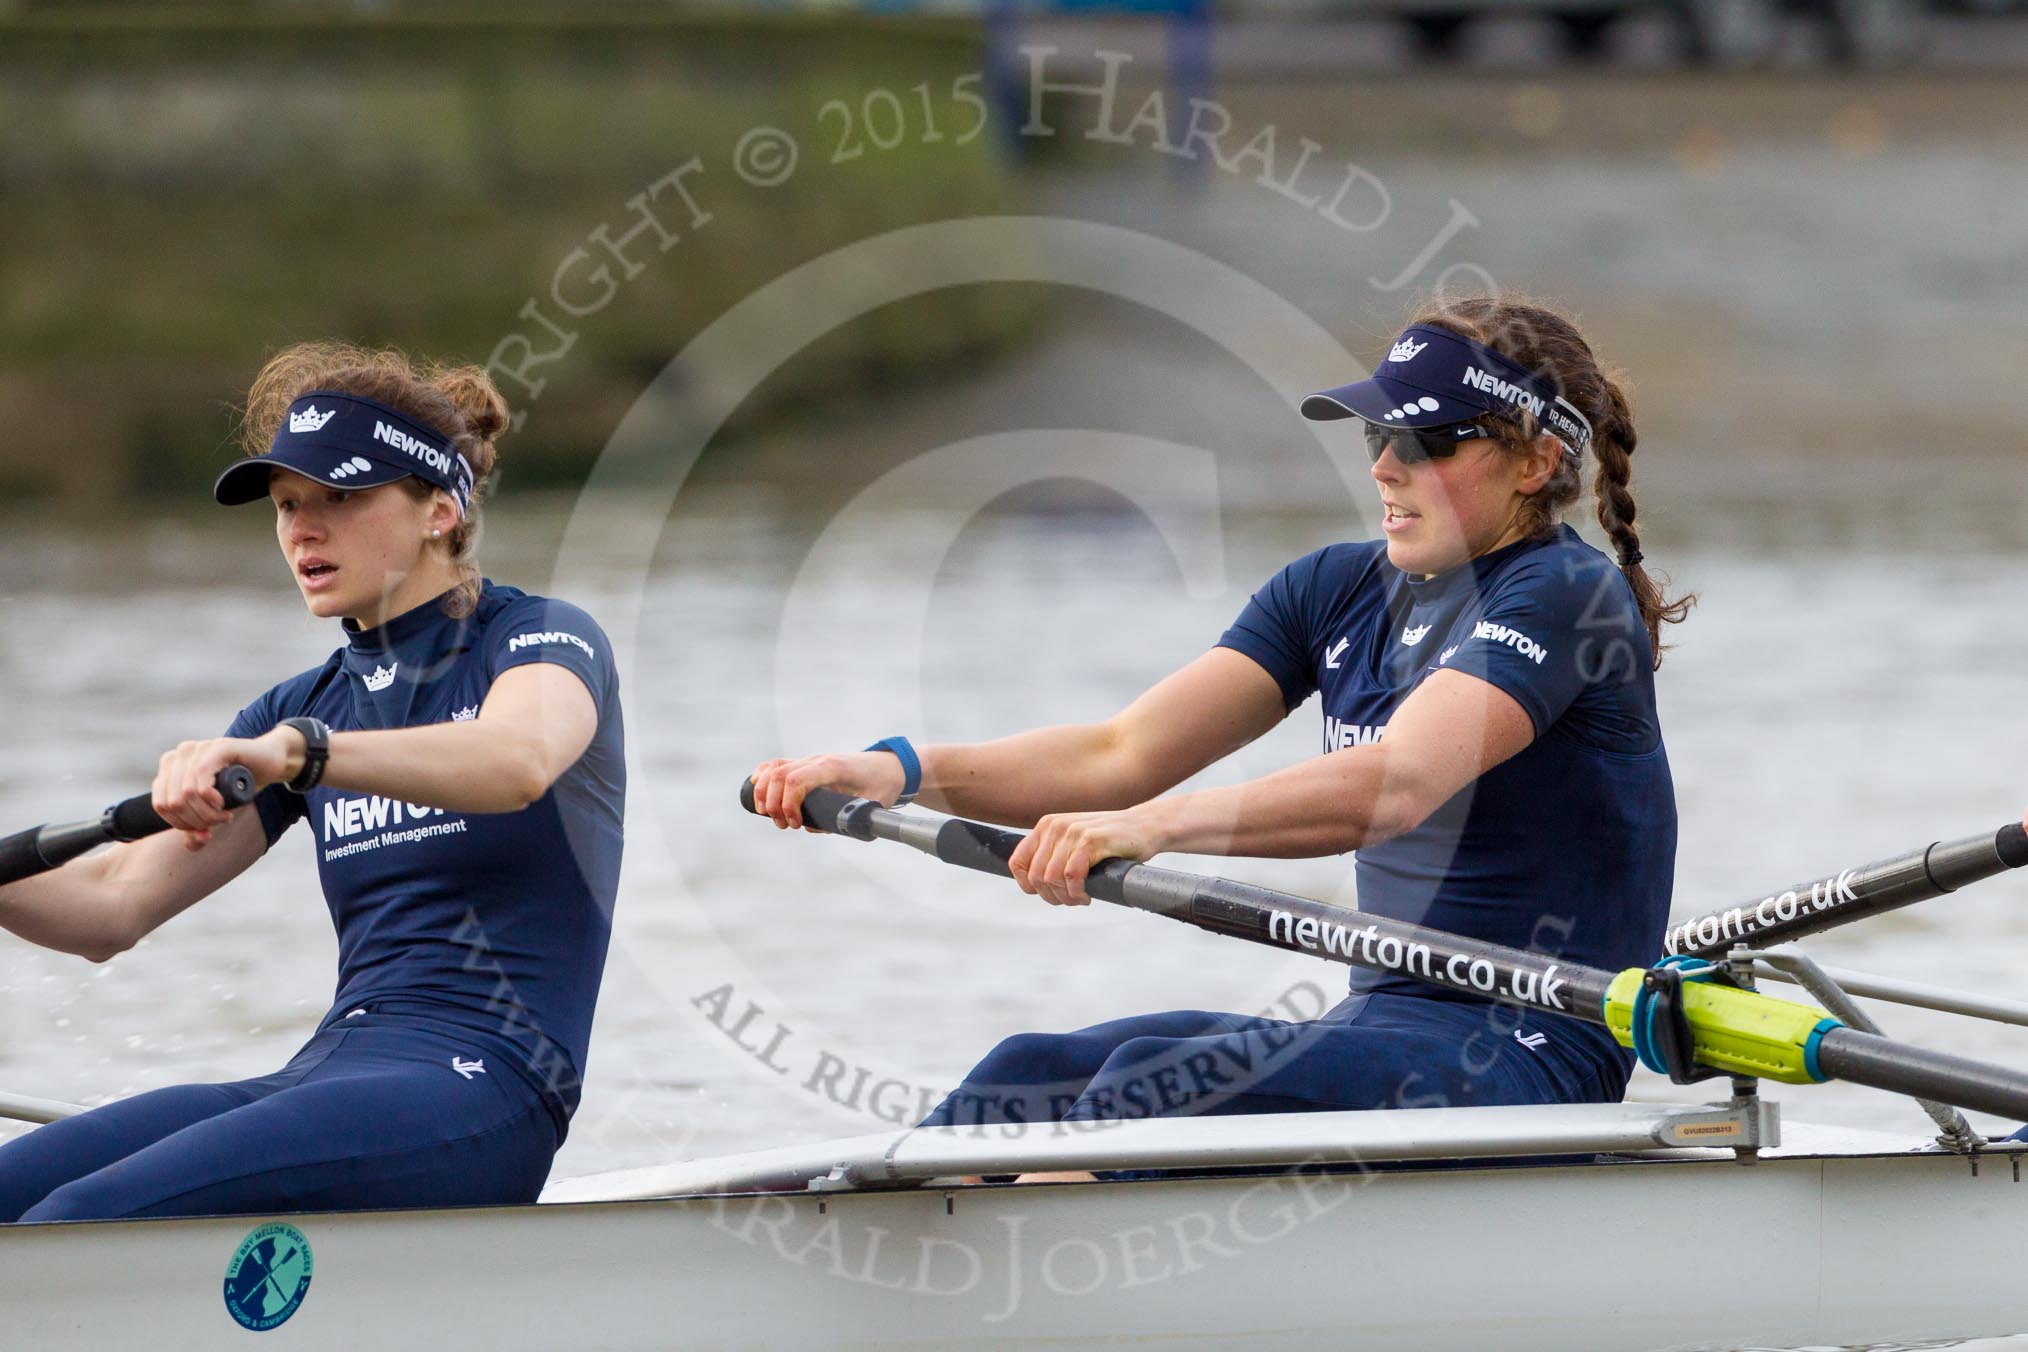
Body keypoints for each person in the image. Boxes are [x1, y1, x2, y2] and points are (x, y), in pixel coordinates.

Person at [751, 295, 1695, 1135]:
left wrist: (1148, 829)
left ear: (1536, 461)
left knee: (1148, 1085)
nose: (1387, 469)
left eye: (1428, 443)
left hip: (1528, 1046)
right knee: (1024, 1073)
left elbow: (1396, 784)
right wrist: (903, 769)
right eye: (1378, 438)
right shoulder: (1334, 590)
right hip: (1382, 1026)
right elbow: (1119, 754)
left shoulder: (1568, 596)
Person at [0, 343, 624, 1222]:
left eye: (342, 497)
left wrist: (304, 754)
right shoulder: (302, 709)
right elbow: (110, 907)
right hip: (330, 1071)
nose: (303, 529)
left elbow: (517, 761)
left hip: (487, 1089)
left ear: (440, 509)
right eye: (290, 505)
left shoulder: (538, 641)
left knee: (71, 1225)